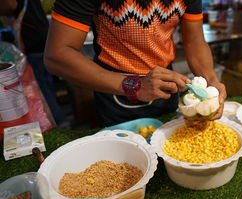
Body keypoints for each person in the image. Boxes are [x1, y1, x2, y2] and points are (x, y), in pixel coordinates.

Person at [44, 0, 227, 127]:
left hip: (167, 82)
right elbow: (58, 55)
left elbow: (194, 40)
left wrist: (210, 80)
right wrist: (135, 86)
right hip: (118, 87)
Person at [0, 0, 68, 127]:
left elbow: (10, 5)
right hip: (44, 42)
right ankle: (59, 120)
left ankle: (58, 122)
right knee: (47, 86)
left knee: (42, 88)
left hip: (34, 46)